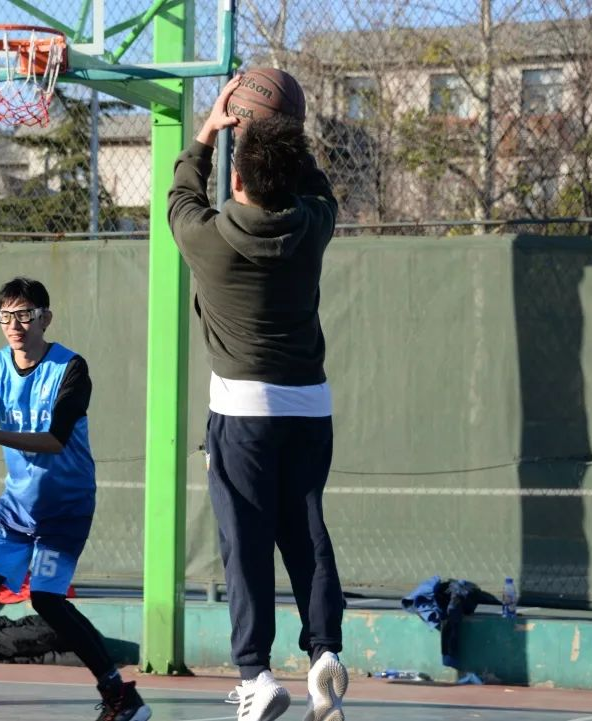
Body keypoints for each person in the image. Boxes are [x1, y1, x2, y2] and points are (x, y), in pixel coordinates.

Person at [167, 77, 348, 721]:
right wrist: (286, 139)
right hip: (310, 407)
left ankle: (256, 674)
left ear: (237, 178)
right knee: (306, 529)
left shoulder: (207, 238)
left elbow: (180, 192)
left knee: (245, 541)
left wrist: (208, 130)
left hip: (242, 412)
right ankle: (325, 650)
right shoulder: (314, 227)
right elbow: (319, 190)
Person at [0, 277, 150, 721]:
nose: (14, 325)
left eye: (24, 315)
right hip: (17, 506)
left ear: (45, 318)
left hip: (66, 508)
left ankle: (120, 695)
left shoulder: (71, 368)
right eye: (5, 316)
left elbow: (56, 439)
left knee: (46, 600)